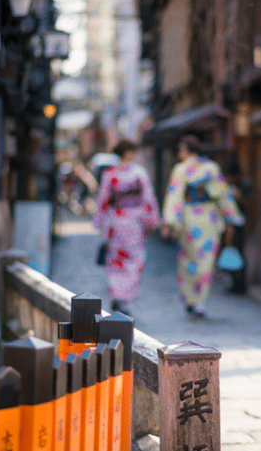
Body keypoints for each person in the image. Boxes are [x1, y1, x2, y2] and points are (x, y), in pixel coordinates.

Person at [161, 135, 245, 318]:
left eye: (181, 150)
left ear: (187, 151)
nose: (180, 154)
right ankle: (200, 302)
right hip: (209, 218)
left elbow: (174, 196)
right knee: (206, 261)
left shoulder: (181, 170)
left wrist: (169, 221)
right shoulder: (211, 168)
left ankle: (191, 299)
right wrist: (231, 217)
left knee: (187, 261)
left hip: (189, 218)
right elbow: (223, 194)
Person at [93, 140, 160, 315]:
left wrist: (99, 221)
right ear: (129, 153)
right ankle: (124, 299)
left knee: (116, 259)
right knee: (135, 258)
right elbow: (148, 198)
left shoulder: (110, 173)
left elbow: (103, 199)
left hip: (115, 221)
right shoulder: (139, 173)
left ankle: (116, 295)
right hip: (134, 221)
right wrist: (153, 221)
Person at [222, 158, 252, 294]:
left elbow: (250, 204)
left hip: (240, 223)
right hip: (227, 223)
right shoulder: (226, 185)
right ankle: (234, 281)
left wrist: (239, 196)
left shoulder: (244, 185)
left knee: (239, 251)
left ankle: (241, 284)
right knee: (229, 251)